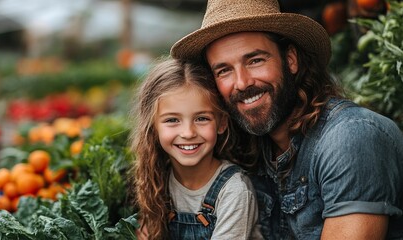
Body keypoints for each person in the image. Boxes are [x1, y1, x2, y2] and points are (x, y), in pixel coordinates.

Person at [170, 0, 403, 239]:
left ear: (290, 59)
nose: (241, 83)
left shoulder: (351, 137)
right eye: (224, 70)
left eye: (255, 60)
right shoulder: (251, 148)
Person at [129, 57, 263, 239]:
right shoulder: (157, 180)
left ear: (221, 122)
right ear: (153, 127)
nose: (188, 132)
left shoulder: (234, 191)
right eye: (172, 120)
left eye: (201, 118)